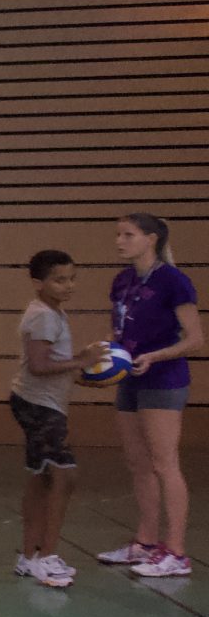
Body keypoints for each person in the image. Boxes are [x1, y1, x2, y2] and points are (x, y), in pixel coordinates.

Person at [100, 213, 202, 581]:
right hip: (130, 378)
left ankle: (175, 552)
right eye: (118, 234)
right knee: (138, 463)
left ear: (152, 239)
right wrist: (106, 357)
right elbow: (120, 329)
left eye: (128, 235)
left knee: (164, 463)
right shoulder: (122, 281)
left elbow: (195, 339)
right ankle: (145, 541)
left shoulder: (173, 281)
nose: (119, 241)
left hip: (163, 378)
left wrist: (154, 356)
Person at [10, 251, 108, 587]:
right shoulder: (44, 317)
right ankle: (46, 559)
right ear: (38, 283)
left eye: (71, 278)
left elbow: (55, 362)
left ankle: (28, 556)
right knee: (65, 475)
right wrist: (82, 359)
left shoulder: (52, 312)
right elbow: (38, 366)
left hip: (39, 403)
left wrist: (86, 374)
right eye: (59, 279)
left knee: (42, 477)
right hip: (39, 406)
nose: (68, 286)